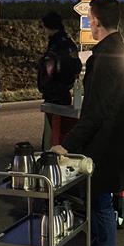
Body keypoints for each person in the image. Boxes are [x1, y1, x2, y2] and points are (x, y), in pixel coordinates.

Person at [50, 0, 124, 246]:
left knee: (100, 201)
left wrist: (68, 144)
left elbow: (97, 110)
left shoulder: (106, 56)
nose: (89, 21)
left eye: (90, 17)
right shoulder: (123, 51)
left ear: (96, 21)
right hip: (114, 142)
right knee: (97, 199)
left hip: (104, 144)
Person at [37, 11, 82, 149]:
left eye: (44, 27)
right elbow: (77, 66)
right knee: (63, 129)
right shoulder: (69, 43)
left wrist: (46, 87)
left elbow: (48, 70)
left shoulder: (56, 45)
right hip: (64, 92)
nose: (43, 31)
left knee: (53, 134)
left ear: (49, 27)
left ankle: (51, 160)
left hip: (54, 94)